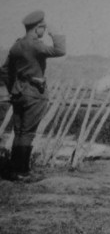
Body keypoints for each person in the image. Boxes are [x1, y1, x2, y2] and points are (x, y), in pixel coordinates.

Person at [0, 11, 66, 181]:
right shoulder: (35, 45)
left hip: (18, 93)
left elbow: (5, 71)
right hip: (35, 94)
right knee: (28, 133)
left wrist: (14, 87)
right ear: (37, 28)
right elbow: (60, 50)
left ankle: (15, 171)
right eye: (43, 28)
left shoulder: (16, 45)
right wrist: (55, 32)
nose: (44, 31)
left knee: (20, 132)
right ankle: (22, 172)